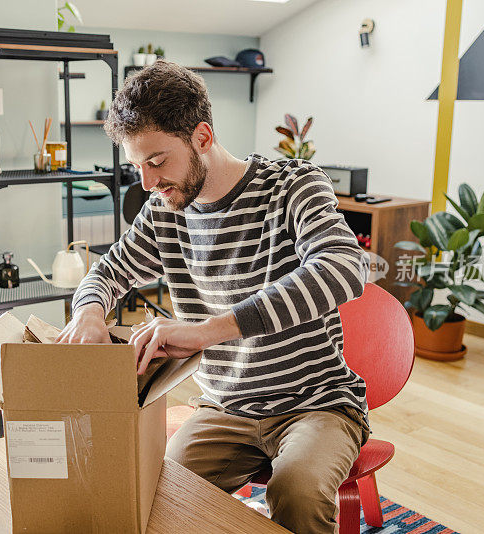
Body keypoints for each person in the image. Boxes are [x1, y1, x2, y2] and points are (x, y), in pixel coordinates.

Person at [55, 61, 370, 533]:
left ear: (202, 136)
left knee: (296, 491)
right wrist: (89, 313)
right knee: (155, 493)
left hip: (316, 402)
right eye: (137, 166)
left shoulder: (292, 186)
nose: (146, 184)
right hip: (225, 408)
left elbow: (344, 268)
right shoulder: (165, 212)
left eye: (157, 161)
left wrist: (207, 332)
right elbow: (109, 270)